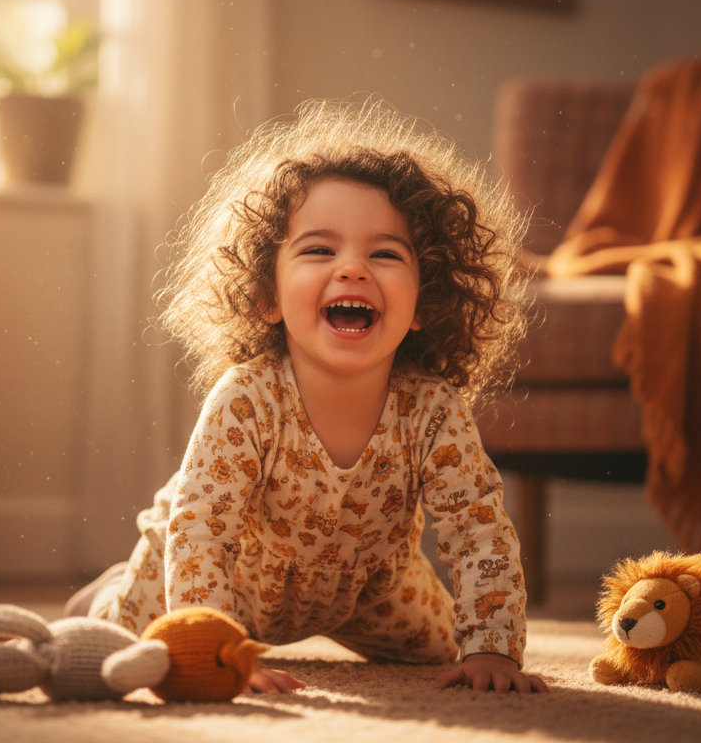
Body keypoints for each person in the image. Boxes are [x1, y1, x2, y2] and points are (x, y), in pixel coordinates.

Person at [67, 99, 548, 695]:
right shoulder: (246, 398)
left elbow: (478, 530)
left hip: (375, 588)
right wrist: (215, 649)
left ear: (425, 303)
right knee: (120, 635)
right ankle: (105, 589)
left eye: (385, 254)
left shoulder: (433, 409)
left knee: (447, 648)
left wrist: (493, 648)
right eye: (319, 249)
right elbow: (202, 532)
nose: (353, 269)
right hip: (228, 582)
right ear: (267, 296)